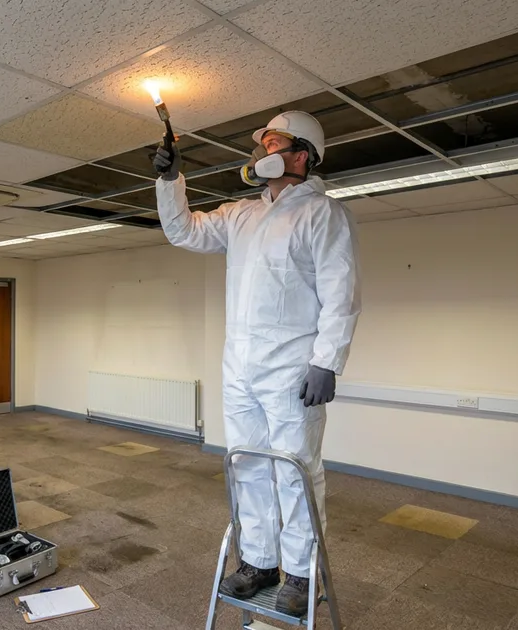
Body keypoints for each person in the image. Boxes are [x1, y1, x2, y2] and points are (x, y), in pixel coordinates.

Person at [152, 111, 361, 617]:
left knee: (294, 471)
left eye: (274, 142)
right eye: (261, 142)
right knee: (246, 465)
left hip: (292, 368)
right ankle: (260, 561)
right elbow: (183, 231)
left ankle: (301, 573)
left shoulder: (322, 213)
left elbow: (341, 294)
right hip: (240, 365)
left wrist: (326, 362)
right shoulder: (240, 214)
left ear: (302, 154)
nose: (262, 150)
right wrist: (169, 179)